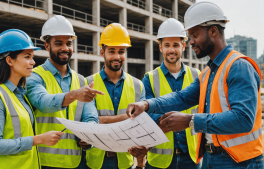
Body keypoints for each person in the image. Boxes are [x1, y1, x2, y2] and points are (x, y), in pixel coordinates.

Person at [127, 1, 263, 169]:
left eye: (194, 35)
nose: (191, 42)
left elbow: (243, 119)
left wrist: (190, 120)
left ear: (213, 31)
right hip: (211, 158)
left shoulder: (238, 66)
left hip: (241, 161)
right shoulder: (208, 73)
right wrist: (146, 104)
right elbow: (182, 97)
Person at [26, 15, 103, 169]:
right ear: (47, 46)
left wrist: (88, 137)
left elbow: (90, 116)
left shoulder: (81, 81)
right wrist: (74, 95)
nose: (65, 48)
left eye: (69, 43)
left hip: (77, 162)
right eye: (58, 43)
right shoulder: (35, 77)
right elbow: (43, 103)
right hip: (45, 162)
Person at [0, 29, 64, 169]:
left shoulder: (19, 94)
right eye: (27, 57)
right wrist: (38, 139)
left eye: (32, 57)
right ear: (9, 60)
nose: (33, 62)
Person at [132, 18, 201, 169]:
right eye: (167, 45)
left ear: (183, 46)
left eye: (175, 45)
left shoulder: (197, 76)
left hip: (191, 157)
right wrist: (178, 118)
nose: (171, 50)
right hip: (159, 161)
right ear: (161, 48)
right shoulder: (149, 78)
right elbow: (147, 117)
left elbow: (204, 112)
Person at [84, 23, 145, 169]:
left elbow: (141, 124)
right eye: (112, 51)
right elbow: (85, 125)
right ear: (102, 53)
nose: (117, 56)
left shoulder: (138, 85)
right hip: (96, 162)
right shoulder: (87, 84)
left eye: (121, 51)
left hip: (125, 161)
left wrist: (102, 121)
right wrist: (126, 118)